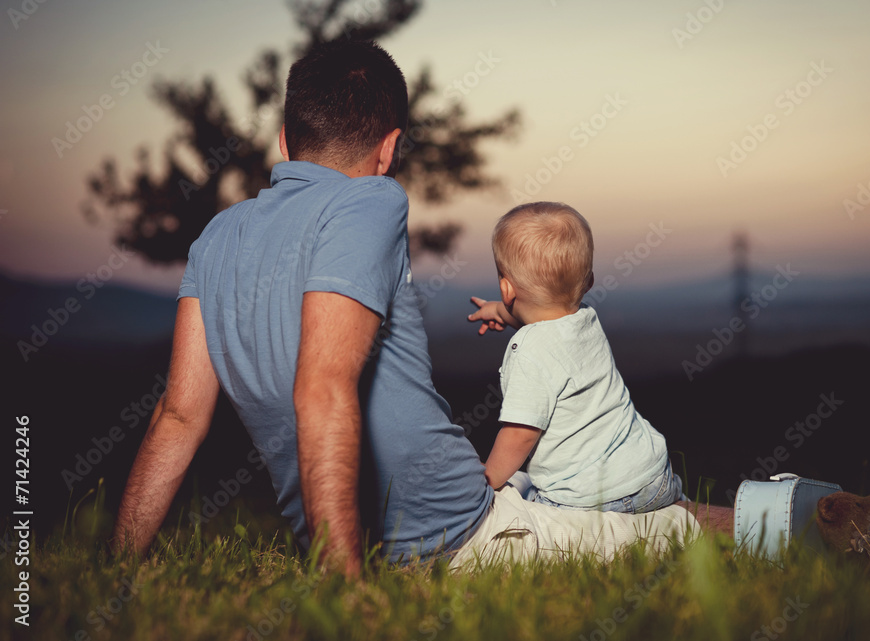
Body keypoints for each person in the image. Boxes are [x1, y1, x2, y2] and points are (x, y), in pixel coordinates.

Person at [112, 39, 706, 576]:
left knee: (544, 485)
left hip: (375, 534)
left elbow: (179, 416)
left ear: (285, 142)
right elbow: (322, 384)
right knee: (672, 523)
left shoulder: (217, 237)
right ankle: (785, 513)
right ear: (389, 148)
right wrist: (344, 596)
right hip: (458, 537)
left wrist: (117, 567)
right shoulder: (370, 198)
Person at [468, 202, 684, 514]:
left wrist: (487, 480)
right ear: (589, 281)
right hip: (653, 476)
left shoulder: (529, 351)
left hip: (593, 497)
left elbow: (519, 434)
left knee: (519, 500)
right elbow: (547, 321)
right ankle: (678, 509)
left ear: (506, 288)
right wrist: (499, 310)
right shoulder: (585, 319)